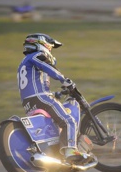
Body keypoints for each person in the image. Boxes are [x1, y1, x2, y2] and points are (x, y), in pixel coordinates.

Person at [17, 33, 83, 163]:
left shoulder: (23, 63)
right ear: (43, 45)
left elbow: (34, 83)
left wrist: (56, 95)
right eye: (51, 48)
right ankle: (70, 151)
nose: (51, 51)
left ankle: (54, 150)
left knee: (54, 124)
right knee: (68, 121)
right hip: (41, 97)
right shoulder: (36, 56)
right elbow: (49, 68)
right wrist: (64, 80)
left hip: (28, 102)